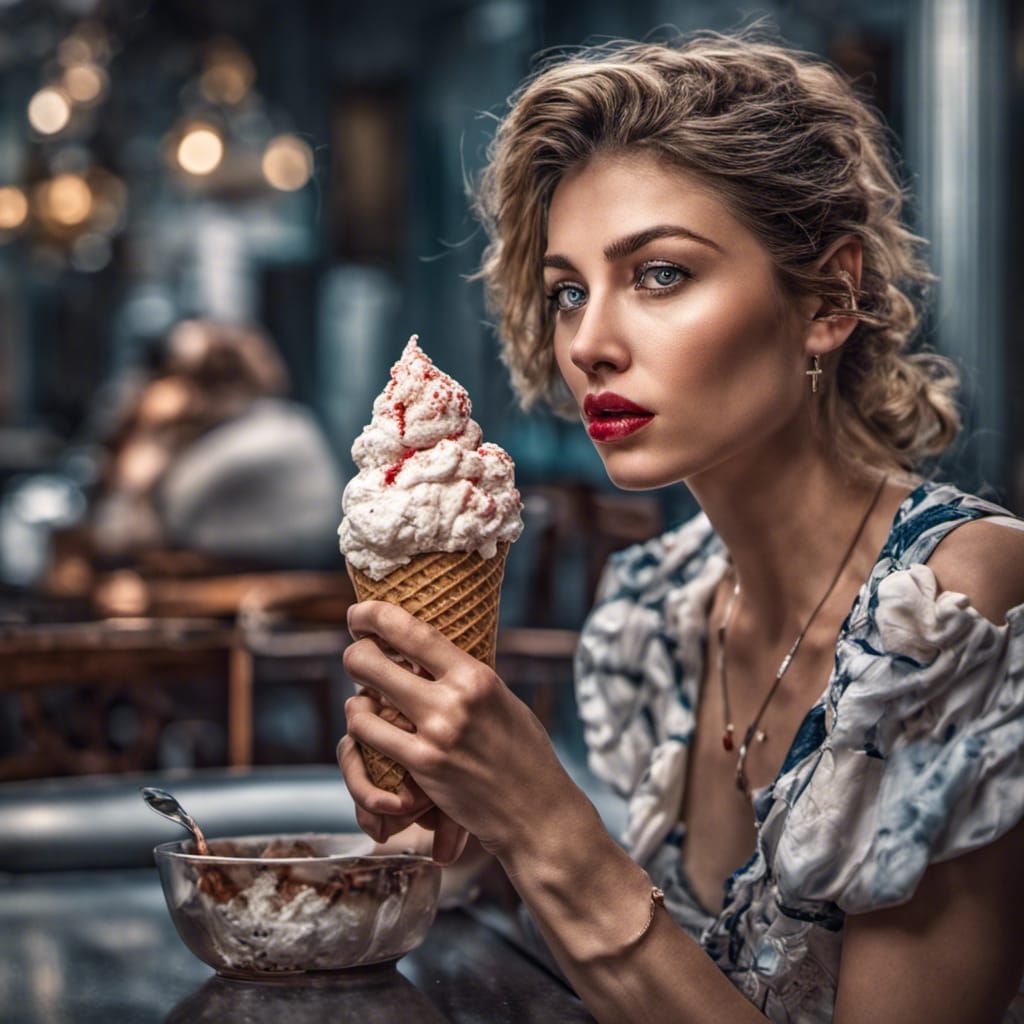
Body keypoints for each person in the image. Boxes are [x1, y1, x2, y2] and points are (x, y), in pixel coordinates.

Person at [337, 29, 1024, 1022]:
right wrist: (476, 831)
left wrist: (549, 829)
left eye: (658, 273)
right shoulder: (655, 606)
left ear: (829, 296)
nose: (589, 342)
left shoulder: (965, 609)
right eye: (568, 289)